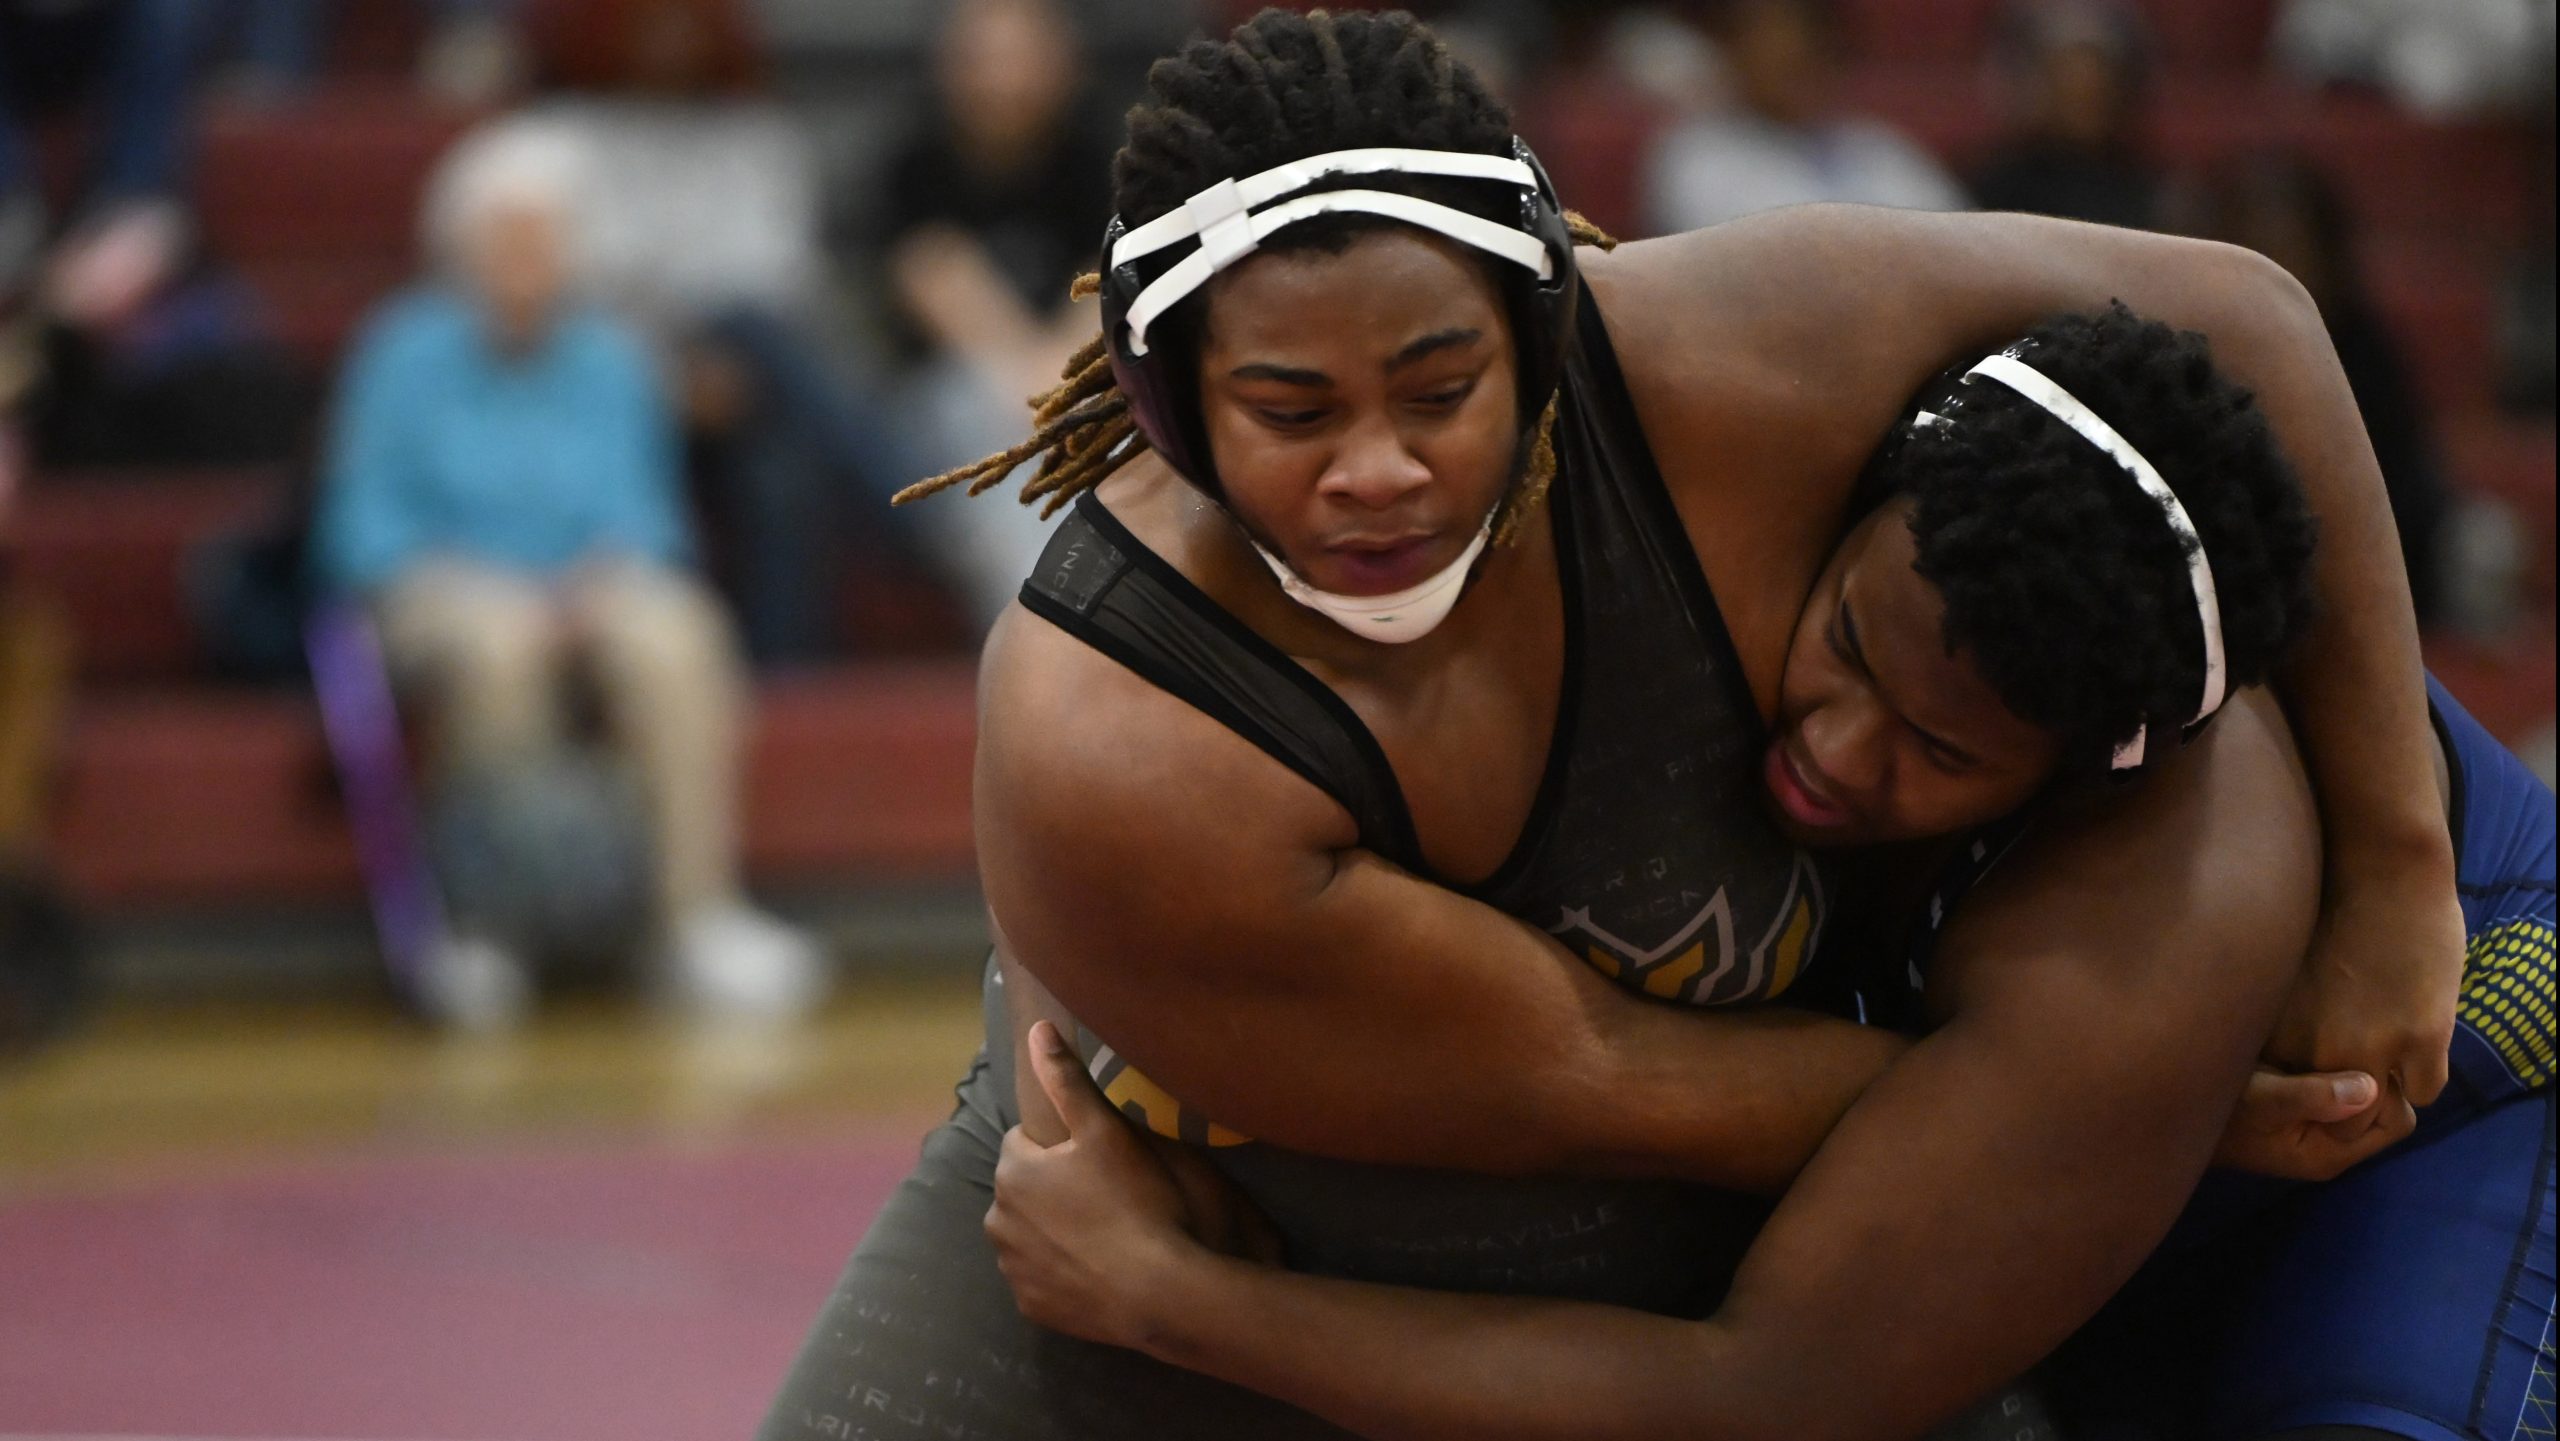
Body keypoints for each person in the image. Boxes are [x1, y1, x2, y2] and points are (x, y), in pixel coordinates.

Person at [758, 11, 2472, 1439]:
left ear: (1547, 329)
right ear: (1166, 402)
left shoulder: (2166, 822)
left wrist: (2374, 898)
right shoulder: (1121, 724)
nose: (1380, 475)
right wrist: (2095, 1114)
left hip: (1707, 1253)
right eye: (1290, 409)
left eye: (1443, 392)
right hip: (1218, 1180)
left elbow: (2244, 308)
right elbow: (1604, 1076)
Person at [983, 304, 2556, 1441]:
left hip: (2430, 1135)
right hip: (2105, 1164)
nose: (1840, 750)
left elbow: (1757, 1392)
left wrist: (1172, 1301)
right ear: (1862, 495)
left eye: (1942, 758)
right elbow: (2243, 305)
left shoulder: (2170, 886)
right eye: (1852, 647)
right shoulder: (1755, 462)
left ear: (2086, 771)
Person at [311, 124, 824, 1029]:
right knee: (496, 646)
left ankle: (694, 916)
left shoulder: (610, 356)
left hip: (589, 583)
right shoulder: (401, 352)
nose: (525, 259)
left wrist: (600, 579)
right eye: (503, 238)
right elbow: (360, 524)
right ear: (459, 248)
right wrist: (480, 582)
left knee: (677, 634)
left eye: (543, 238)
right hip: (443, 587)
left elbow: (646, 510)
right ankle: (487, 929)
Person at [1640, 0, 1967, 234]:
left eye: (1808, 51)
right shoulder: (1695, 156)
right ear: (1734, 55)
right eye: (1779, 59)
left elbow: (1964, 245)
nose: (1798, 67)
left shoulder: (1880, 147)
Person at [1968, 0, 2163, 232]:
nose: (2082, 94)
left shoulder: (2151, 195)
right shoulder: (1991, 192)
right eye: (2065, 82)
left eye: (2095, 87)